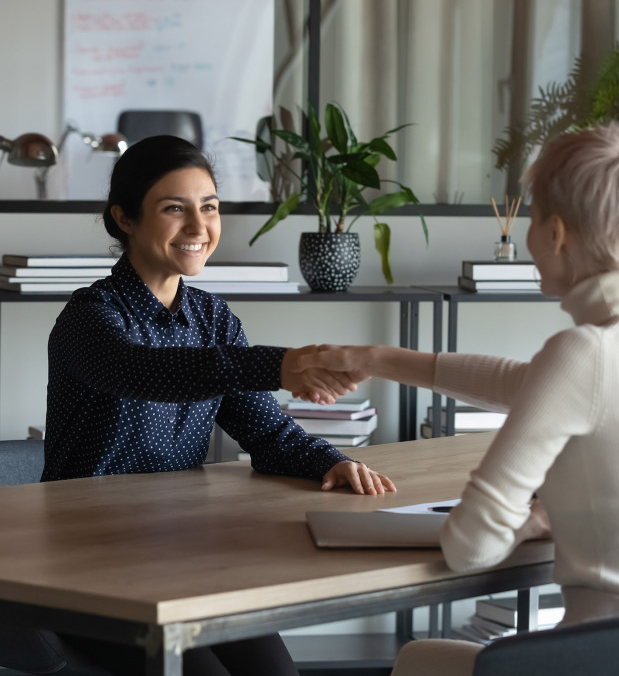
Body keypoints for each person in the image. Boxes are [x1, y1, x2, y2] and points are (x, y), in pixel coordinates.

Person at [290, 124, 619, 676]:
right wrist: (376, 358)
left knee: (416, 659)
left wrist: (533, 518)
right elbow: (523, 382)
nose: (525, 235)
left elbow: (469, 547)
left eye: (530, 217)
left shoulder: (584, 352)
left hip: (602, 663)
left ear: (557, 233)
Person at [43, 134, 395, 676]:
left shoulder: (211, 318)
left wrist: (332, 462)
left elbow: (268, 433)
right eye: (173, 209)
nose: (198, 227)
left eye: (208, 207)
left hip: (180, 556)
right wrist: (277, 365)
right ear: (125, 219)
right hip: (89, 569)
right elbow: (142, 372)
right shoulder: (90, 317)